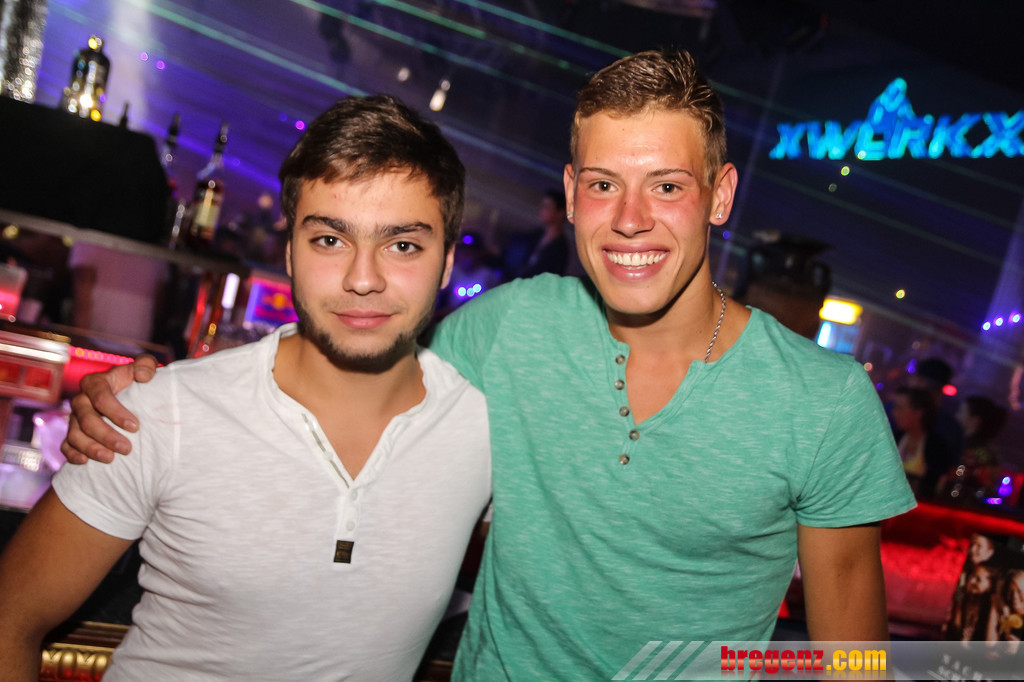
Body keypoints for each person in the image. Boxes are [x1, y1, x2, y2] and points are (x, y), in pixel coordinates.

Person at [62, 50, 915, 679]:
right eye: (604, 184)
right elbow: (355, 361)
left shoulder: (824, 401)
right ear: (571, 192)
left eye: (666, 185)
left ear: (719, 196)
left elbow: (850, 658)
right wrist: (155, 392)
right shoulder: (510, 328)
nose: (629, 219)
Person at [0, 95, 492, 680]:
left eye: (403, 245)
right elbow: (10, 620)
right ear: (290, 254)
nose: (364, 279)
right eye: (329, 240)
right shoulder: (158, 413)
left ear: (446, 264)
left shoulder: (485, 432)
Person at [890, 385, 954, 497]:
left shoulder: (936, 446)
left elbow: (937, 486)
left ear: (918, 413)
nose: (894, 413)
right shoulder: (894, 438)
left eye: (899, 408)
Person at [514, 188, 571, 279]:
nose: (542, 210)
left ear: (561, 213)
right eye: (542, 206)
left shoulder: (560, 249)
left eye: (547, 207)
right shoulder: (535, 235)